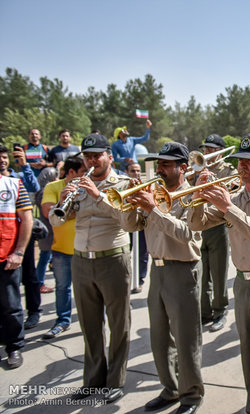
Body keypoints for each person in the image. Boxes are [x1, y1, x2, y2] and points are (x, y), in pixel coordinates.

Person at [188, 133, 250, 414]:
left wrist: (228, 207)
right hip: (243, 283)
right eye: (239, 162)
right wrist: (197, 197)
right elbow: (197, 224)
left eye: (249, 161)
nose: (241, 167)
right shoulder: (234, 195)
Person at [53, 133, 138, 403]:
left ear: (109, 157)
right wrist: (62, 202)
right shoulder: (78, 183)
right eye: (87, 156)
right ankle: (92, 381)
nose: (91, 160)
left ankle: (116, 380)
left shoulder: (123, 183)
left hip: (112, 258)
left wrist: (97, 195)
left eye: (96, 155)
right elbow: (56, 223)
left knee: (118, 323)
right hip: (81, 260)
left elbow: (127, 220)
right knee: (89, 325)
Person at [126, 142, 203, 414]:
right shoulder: (154, 192)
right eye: (159, 163)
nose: (160, 168)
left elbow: (187, 234)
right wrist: (129, 202)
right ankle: (170, 389)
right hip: (157, 271)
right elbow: (130, 225)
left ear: (183, 167)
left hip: (182, 268)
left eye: (167, 164)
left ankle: (191, 395)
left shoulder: (192, 195)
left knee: (186, 338)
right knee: (159, 338)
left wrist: (153, 209)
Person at [41, 156, 87, 339]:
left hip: (84, 249)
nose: (87, 174)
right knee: (62, 288)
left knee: (87, 290)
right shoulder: (52, 187)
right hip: (61, 250)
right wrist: (63, 202)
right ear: (71, 173)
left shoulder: (88, 187)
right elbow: (48, 213)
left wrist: (62, 213)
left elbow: (61, 216)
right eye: (83, 171)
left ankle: (89, 321)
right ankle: (63, 321)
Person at [197, 134, 236, 331]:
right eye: (206, 149)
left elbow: (231, 194)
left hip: (218, 225)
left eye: (212, 149)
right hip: (199, 225)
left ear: (220, 151)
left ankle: (220, 310)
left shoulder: (228, 171)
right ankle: (204, 312)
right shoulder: (197, 168)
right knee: (203, 272)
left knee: (219, 271)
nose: (207, 153)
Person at [0, 144, 33, 369]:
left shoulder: (14, 184)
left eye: (4, 157)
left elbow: (27, 219)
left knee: (11, 306)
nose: (2, 161)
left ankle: (14, 347)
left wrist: (19, 252)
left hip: (7, 257)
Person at [10, 145, 42, 329]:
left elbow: (34, 187)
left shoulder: (17, 178)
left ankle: (34, 311)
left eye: (6, 157)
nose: (3, 160)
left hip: (23, 233)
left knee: (29, 275)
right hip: (3, 238)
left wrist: (24, 165)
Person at [124, 161, 149, 293]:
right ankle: (126, 279)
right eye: (133, 171)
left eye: (138, 170)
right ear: (126, 172)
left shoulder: (145, 185)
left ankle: (139, 279)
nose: (136, 173)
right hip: (127, 223)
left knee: (142, 253)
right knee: (126, 253)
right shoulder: (123, 185)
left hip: (142, 223)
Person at [35, 166, 59, 294]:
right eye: (54, 176)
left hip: (48, 230)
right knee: (44, 257)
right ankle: (39, 283)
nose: (57, 178)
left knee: (46, 257)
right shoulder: (45, 192)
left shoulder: (42, 191)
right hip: (48, 230)